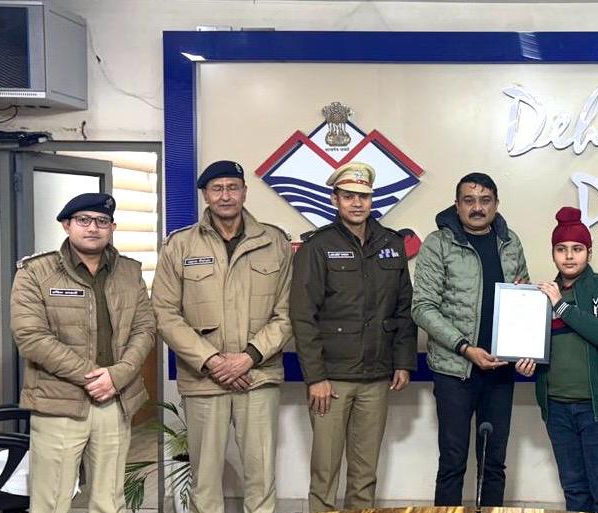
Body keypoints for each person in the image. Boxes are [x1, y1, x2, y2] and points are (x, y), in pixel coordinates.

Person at [152, 160, 293, 513]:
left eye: (233, 187)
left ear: (245, 192)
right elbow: (164, 313)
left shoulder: (274, 242)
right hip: (204, 379)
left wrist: (249, 357)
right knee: (205, 478)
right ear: (205, 195)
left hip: (257, 376)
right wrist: (212, 361)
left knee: (261, 475)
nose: (225, 195)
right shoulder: (180, 245)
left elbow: (288, 312)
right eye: (217, 189)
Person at [10, 192, 156, 513]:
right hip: (59, 400)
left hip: (115, 400)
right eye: (83, 220)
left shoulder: (129, 271)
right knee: (51, 502)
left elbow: (145, 328)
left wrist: (117, 376)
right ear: (67, 225)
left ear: (112, 227)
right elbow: (30, 337)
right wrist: (92, 377)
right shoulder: (35, 272)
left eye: (102, 221)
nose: (93, 227)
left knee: (109, 502)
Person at [290, 162, 417, 513]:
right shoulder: (318, 246)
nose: (357, 203)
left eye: (363, 196)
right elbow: (303, 316)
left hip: (376, 376)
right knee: (325, 472)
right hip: (331, 380)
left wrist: (403, 362)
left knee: (365, 474)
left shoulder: (392, 244)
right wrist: (315, 377)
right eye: (348, 196)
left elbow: (404, 308)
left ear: (372, 199)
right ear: (335, 200)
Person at [412, 172, 529, 506]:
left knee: (494, 463)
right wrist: (465, 348)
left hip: (500, 371)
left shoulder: (510, 242)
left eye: (485, 200)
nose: (478, 207)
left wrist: (525, 347)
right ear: (457, 204)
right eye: (469, 200)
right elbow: (422, 307)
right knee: (453, 462)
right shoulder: (438, 243)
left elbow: (524, 296)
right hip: (455, 372)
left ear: (496, 204)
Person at [515, 207, 598, 513]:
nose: (569, 256)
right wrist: (526, 363)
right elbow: (532, 346)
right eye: (561, 249)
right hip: (558, 409)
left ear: (589, 253)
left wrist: (561, 306)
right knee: (576, 494)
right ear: (553, 253)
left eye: (577, 249)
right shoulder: (539, 296)